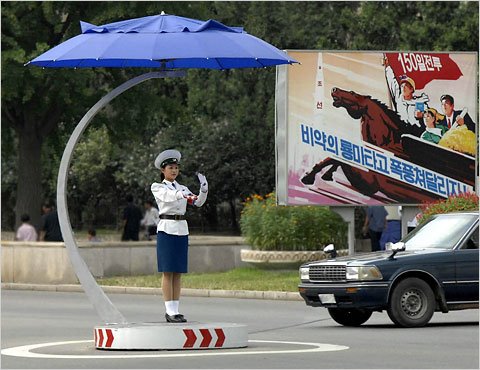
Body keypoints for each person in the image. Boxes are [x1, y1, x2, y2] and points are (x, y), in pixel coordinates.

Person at [151, 149, 208, 323]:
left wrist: (204, 190)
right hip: (167, 229)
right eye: (170, 167)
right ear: (163, 170)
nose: (174, 170)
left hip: (181, 228)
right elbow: (168, 197)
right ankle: (169, 310)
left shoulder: (182, 187)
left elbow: (197, 202)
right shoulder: (158, 186)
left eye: (176, 167)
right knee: (168, 272)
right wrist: (181, 194)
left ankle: (176, 310)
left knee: (178, 272)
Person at [383, 55, 429, 136]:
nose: (403, 88)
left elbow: (427, 116)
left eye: (406, 86)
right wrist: (387, 67)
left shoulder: (419, 102)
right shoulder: (398, 98)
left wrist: (421, 115)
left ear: (411, 89)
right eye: (402, 86)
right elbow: (392, 82)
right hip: (402, 130)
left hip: (416, 133)